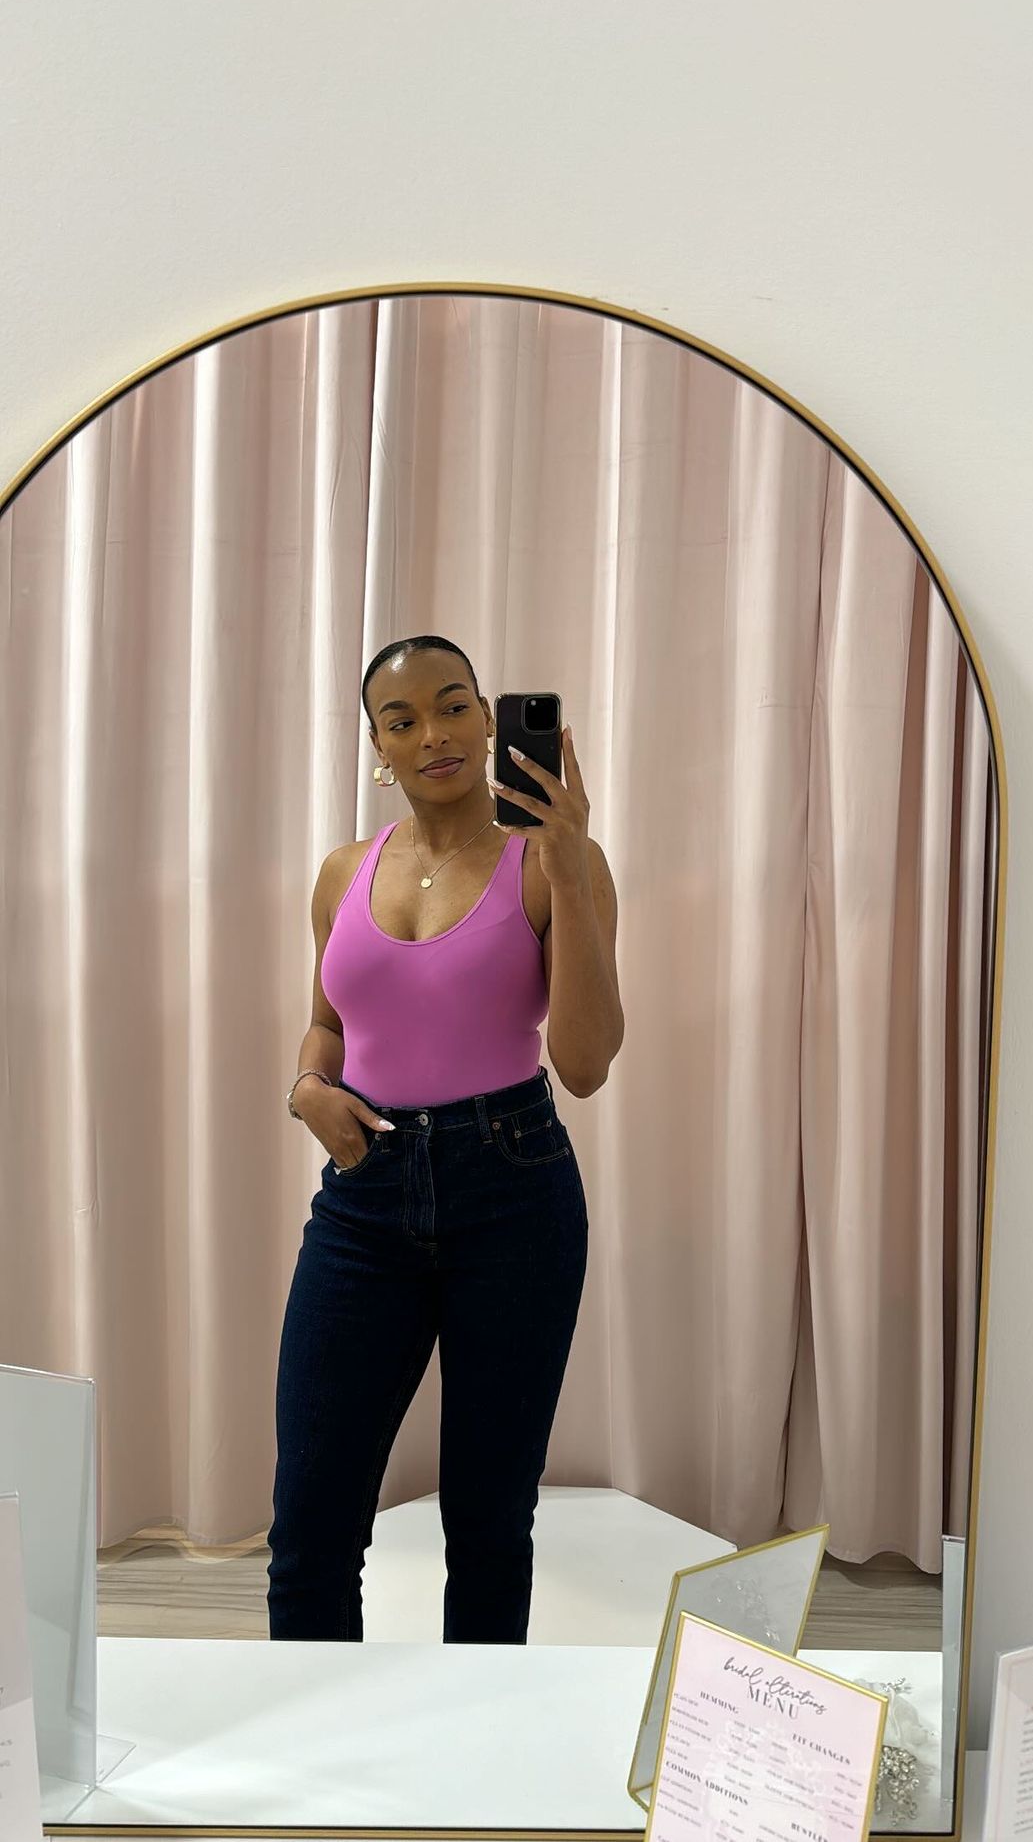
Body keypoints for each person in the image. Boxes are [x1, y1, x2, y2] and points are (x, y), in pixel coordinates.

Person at [266, 635, 624, 1644]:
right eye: (403, 718)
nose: (435, 733)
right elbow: (328, 1024)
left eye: (455, 704)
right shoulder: (344, 871)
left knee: (488, 1518)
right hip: (364, 1196)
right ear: (378, 746)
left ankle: (479, 1735)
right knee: (310, 1518)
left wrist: (572, 869)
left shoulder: (551, 863)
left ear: (488, 718)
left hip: (513, 1189)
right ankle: (316, 1727)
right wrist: (307, 1088)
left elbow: (586, 1062)